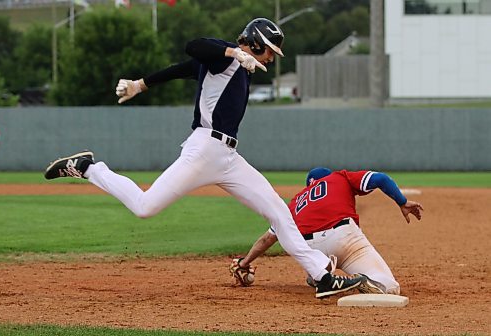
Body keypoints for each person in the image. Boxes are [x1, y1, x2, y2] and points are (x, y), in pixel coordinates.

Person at [43, 18, 368, 298]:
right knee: (145, 207)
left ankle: (323, 278)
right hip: (203, 149)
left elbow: (184, 69)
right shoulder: (225, 56)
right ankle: (88, 168)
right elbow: (193, 46)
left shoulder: (236, 65)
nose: (271, 57)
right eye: (269, 50)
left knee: (279, 212)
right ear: (255, 42)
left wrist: (142, 84)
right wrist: (233, 52)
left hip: (228, 156)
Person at [234, 167, 424, 295]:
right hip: (344, 239)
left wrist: (244, 262)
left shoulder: (295, 202)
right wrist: (402, 201)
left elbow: (267, 239)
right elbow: (381, 178)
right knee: (390, 288)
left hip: (310, 248)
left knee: (309, 255)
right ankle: (362, 280)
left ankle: (320, 272)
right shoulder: (339, 177)